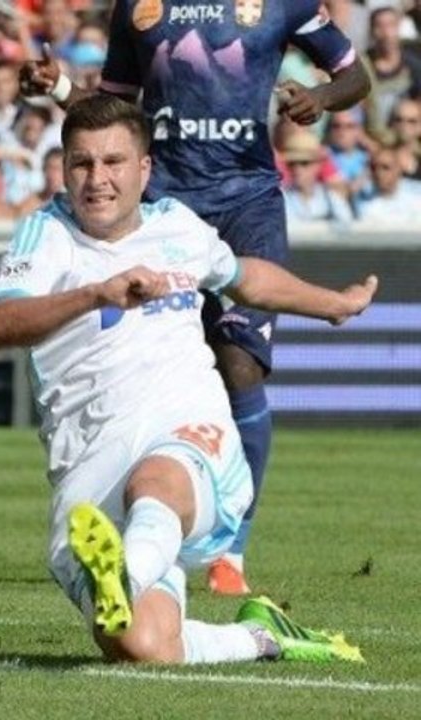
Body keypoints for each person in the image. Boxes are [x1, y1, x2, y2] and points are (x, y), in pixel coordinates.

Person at [0, 95, 372, 666]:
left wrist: (333, 303)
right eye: (82, 163)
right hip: (91, 462)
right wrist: (96, 292)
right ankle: (264, 636)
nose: (97, 179)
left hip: (188, 433)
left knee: (157, 479)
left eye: (114, 162)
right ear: (63, 168)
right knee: (141, 646)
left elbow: (244, 278)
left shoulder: (178, 227)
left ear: (144, 169)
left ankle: (124, 572)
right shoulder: (44, 235)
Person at [20, 0, 372, 595]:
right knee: (147, 360)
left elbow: (356, 76)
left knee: (240, 366)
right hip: (163, 207)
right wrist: (59, 91)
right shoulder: (138, 8)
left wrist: (322, 99)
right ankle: (145, 516)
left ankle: (230, 549)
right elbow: (114, 113)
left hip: (247, 202)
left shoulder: (282, 5)